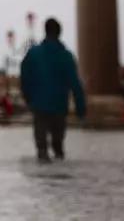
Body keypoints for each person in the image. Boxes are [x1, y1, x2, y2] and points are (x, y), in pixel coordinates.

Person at [20, 17, 86, 163]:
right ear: (59, 33)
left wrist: (27, 98)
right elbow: (75, 83)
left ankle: (44, 181)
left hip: (39, 105)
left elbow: (24, 77)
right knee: (58, 147)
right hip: (59, 106)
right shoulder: (66, 56)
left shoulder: (33, 54)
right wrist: (81, 108)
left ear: (45, 31)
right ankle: (58, 178)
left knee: (41, 148)